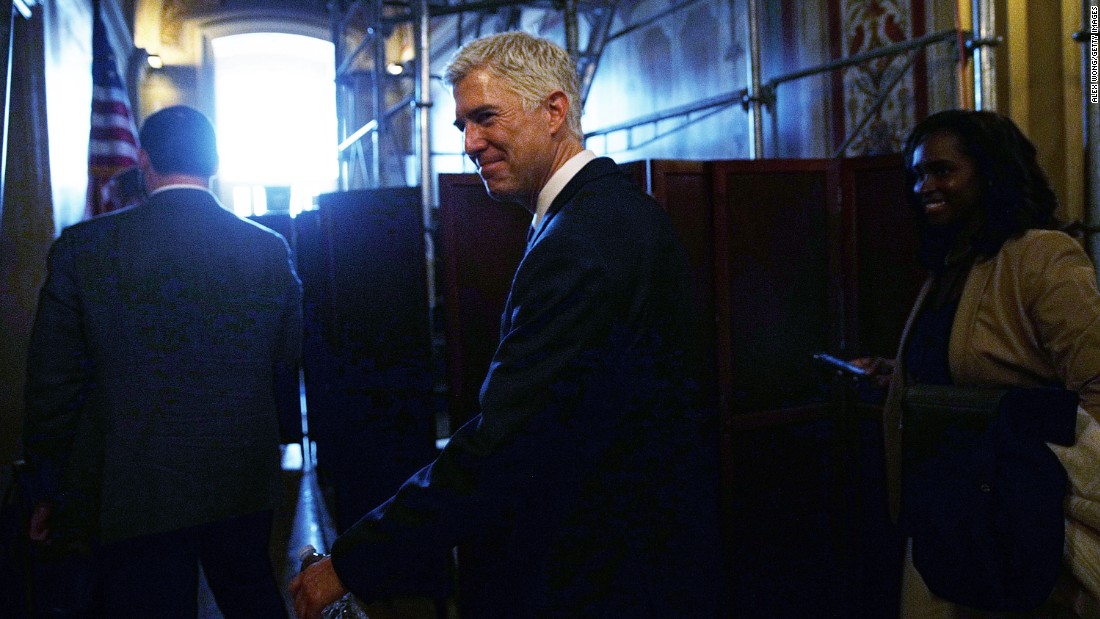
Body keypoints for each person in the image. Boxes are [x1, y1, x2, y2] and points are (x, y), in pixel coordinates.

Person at [291, 31, 722, 618]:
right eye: (462, 125)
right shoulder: (612, 211)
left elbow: (505, 443)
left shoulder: (582, 237)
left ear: (553, 111)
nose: (470, 143)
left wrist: (350, 563)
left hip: (603, 575)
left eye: (486, 117)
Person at [21, 104, 302, 618]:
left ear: (143, 161)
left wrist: (46, 489)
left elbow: (52, 387)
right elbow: (286, 360)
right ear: (213, 163)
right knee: (253, 601)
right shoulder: (267, 250)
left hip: (132, 485)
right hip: (240, 477)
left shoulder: (85, 249)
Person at [854, 109, 1100, 618]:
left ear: (990, 172)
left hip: (1017, 525)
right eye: (918, 173)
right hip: (949, 515)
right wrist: (898, 378)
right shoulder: (952, 265)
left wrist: (1059, 496)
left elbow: (1096, 384)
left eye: (943, 170)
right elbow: (963, 365)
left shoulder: (1040, 255)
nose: (925, 185)